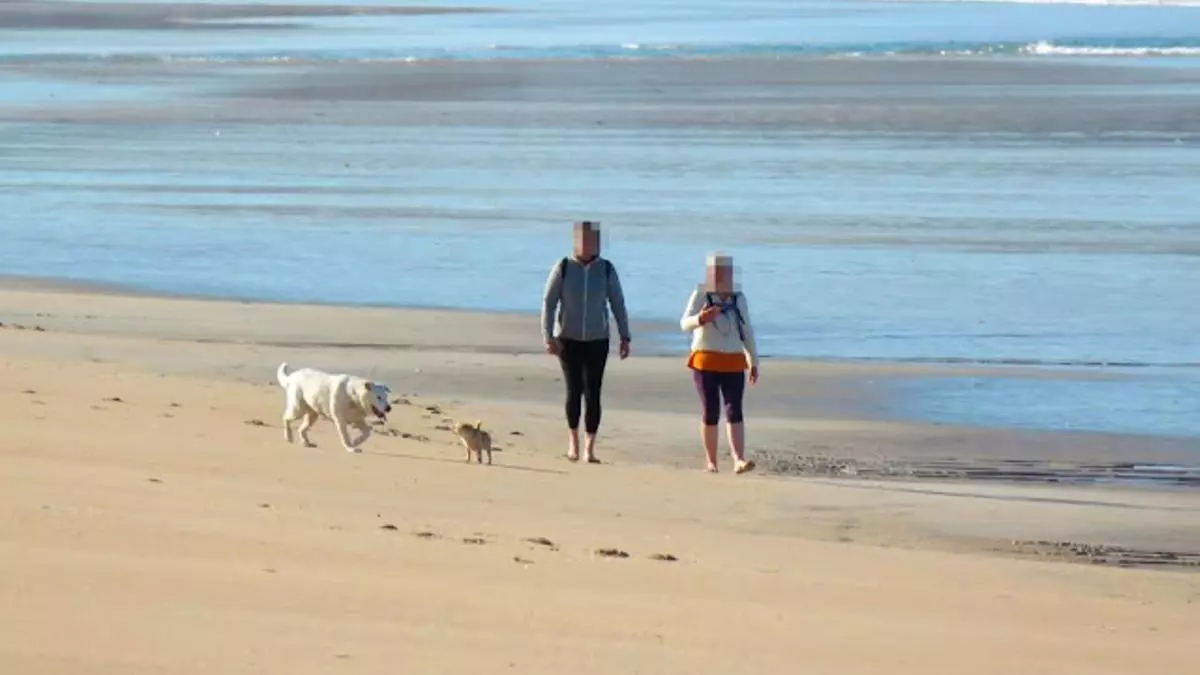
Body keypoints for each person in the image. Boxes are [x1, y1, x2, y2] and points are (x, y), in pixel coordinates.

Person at [541, 220, 632, 463]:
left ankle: (589, 448)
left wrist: (625, 336)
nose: (589, 245)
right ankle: (573, 442)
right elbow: (549, 303)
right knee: (574, 390)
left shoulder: (606, 269)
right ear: (575, 241)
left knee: (593, 393)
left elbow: (617, 303)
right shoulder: (563, 268)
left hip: (597, 339)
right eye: (585, 240)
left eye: (594, 240)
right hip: (568, 340)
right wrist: (547, 336)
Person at [679, 253, 759, 474]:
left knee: (735, 410)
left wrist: (754, 360)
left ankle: (738, 460)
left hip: (733, 361)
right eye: (717, 273)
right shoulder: (701, 295)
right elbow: (684, 323)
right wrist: (701, 318)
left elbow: (747, 331)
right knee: (711, 410)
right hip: (705, 360)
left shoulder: (738, 298)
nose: (722, 277)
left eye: (726, 273)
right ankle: (711, 462)